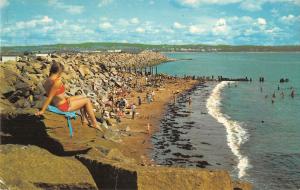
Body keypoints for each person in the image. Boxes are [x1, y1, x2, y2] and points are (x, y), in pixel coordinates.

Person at [35, 62, 103, 131]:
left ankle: (84, 119)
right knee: (87, 100)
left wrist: (65, 98)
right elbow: (50, 97)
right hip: (63, 106)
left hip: (61, 102)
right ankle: (94, 123)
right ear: (60, 71)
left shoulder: (47, 80)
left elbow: (54, 95)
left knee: (81, 97)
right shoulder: (56, 81)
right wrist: (42, 111)